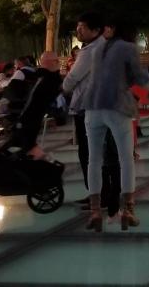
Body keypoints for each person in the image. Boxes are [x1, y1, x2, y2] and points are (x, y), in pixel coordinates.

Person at [84, 20, 149, 232]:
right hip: (116, 108)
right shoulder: (128, 48)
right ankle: (128, 211)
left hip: (92, 108)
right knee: (126, 159)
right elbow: (140, 79)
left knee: (94, 160)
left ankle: (95, 212)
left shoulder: (96, 47)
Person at [62, 12, 120, 214]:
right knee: (104, 153)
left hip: (87, 108)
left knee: (89, 154)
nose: (78, 31)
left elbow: (71, 79)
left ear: (95, 30)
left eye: (82, 27)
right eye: (77, 27)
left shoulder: (88, 52)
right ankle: (108, 193)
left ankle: (100, 195)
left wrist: (64, 84)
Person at [9, 52, 63, 160]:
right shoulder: (46, 77)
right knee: (24, 143)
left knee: (25, 143)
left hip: (32, 117)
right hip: (31, 116)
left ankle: (42, 166)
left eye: (43, 62)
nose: (41, 65)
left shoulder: (45, 78)